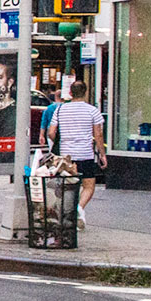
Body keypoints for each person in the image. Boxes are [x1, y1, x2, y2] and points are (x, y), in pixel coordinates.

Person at [44, 79, 106, 219]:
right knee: (88, 185)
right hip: (85, 153)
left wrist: (59, 141)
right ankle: (78, 208)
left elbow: (51, 132)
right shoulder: (93, 111)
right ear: (85, 93)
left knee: (67, 185)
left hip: (66, 156)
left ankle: (68, 212)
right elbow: (98, 134)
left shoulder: (60, 110)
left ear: (70, 93)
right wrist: (102, 154)